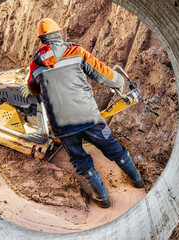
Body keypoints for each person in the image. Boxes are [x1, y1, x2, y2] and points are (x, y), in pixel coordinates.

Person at [24, 18, 143, 208]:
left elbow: (33, 90)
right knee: (111, 146)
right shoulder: (76, 52)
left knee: (79, 158)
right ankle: (137, 180)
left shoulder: (35, 65)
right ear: (59, 35)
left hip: (61, 124)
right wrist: (120, 82)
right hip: (87, 116)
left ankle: (102, 198)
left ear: (41, 40)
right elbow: (103, 74)